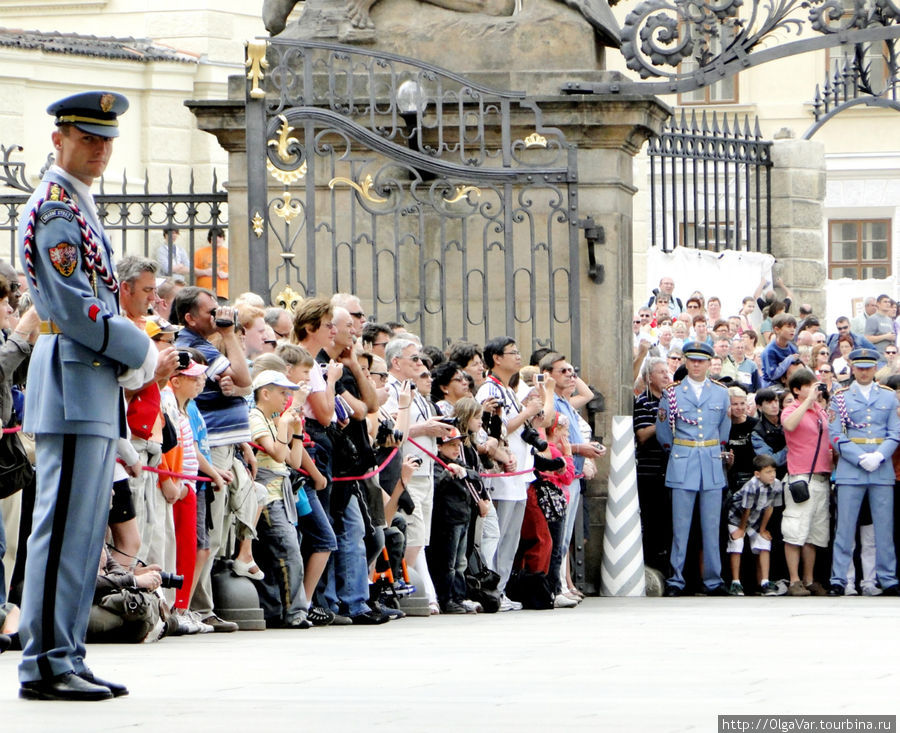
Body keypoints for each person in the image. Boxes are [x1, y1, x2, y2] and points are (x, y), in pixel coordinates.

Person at [16, 91, 159, 701]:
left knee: (81, 533)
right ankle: (43, 664)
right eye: (88, 138)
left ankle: (66, 653)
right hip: (74, 377)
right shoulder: (55, 210)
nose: (100, 150)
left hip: (89, 380)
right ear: (59, 138)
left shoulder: (76, 206)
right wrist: (140, 349)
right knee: (62, 531)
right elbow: (76, 306)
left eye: (106, 140)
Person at [655, 341, 731, 596]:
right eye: (692, 360)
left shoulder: (721, 392)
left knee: (712, 526)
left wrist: (714, 451)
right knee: (680, 526)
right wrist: (678, 452)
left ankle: (713, 580)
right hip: (683, 459)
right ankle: (676, 580)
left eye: (702, 360)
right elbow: (664, 432)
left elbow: (724, 428)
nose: (697, 365)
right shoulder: (672, 392)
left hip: (710, 460)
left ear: (710, 363)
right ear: (686, 362)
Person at [827, 348, 900, 595]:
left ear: (875, 368)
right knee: (845, 527)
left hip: (881, 466)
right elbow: (835, 434)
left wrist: (880, 455)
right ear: (853, 368)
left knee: (884, 527)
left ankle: (887, 578)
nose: (865, 371)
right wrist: (860, 458)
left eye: (869, 367)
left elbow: (895, 433)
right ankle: (839, 579)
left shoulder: (889, 397)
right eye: (860, 367)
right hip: (851, 466)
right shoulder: (840, 397)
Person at [781, 367, 832, 596]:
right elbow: (789, 425)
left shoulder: (819, 411)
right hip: (801, 476)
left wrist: (815, 403)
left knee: (814, 533)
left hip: (822, 476)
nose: (815, 389)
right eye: (809, 386)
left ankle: (810, 579)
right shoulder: (792, 409)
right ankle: (794, 580)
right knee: (795, 530)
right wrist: (807, 402)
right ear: (796, 390)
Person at [725, 454, 782, 596]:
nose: (772, 475)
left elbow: (770, 508)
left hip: (756, 519)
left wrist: (762, 529)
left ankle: (764, 582)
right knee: (737, 543)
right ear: (757, 474)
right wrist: (741, 530)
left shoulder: (777, 484)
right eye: (768, 472)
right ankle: (736, 582)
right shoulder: (751, 486)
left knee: (764, 542)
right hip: (738, 518)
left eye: (773, 471)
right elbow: (746, 509)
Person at [194, 227, 229, 300]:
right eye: (215, 236)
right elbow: (192, 270)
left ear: (223, 238)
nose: (218, 239)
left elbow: (238, 273)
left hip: (223, 293)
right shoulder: (199, 252)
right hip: (203, 292)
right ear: (210, 239)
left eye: (220, 236)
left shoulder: (229, 253)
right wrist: (205, 272)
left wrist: (227, 275)